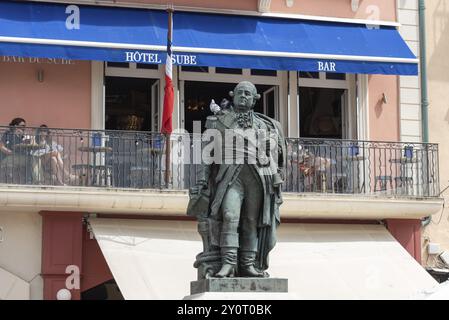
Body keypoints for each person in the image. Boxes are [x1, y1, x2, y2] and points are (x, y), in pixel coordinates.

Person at [188, 81, 286, 279]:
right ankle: (228, 263)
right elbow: (207, 155)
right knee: (230, 216)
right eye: (240, 93)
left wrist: (272, 159)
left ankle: (248, 265)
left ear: (254, 99)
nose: (243, 96)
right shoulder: (216, 121)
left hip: (258, 176)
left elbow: (273, 154)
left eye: (248, 94)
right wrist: (202, 180)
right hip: (230, 176)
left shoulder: (264, 125)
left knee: (251, 221)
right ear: (232, 96)